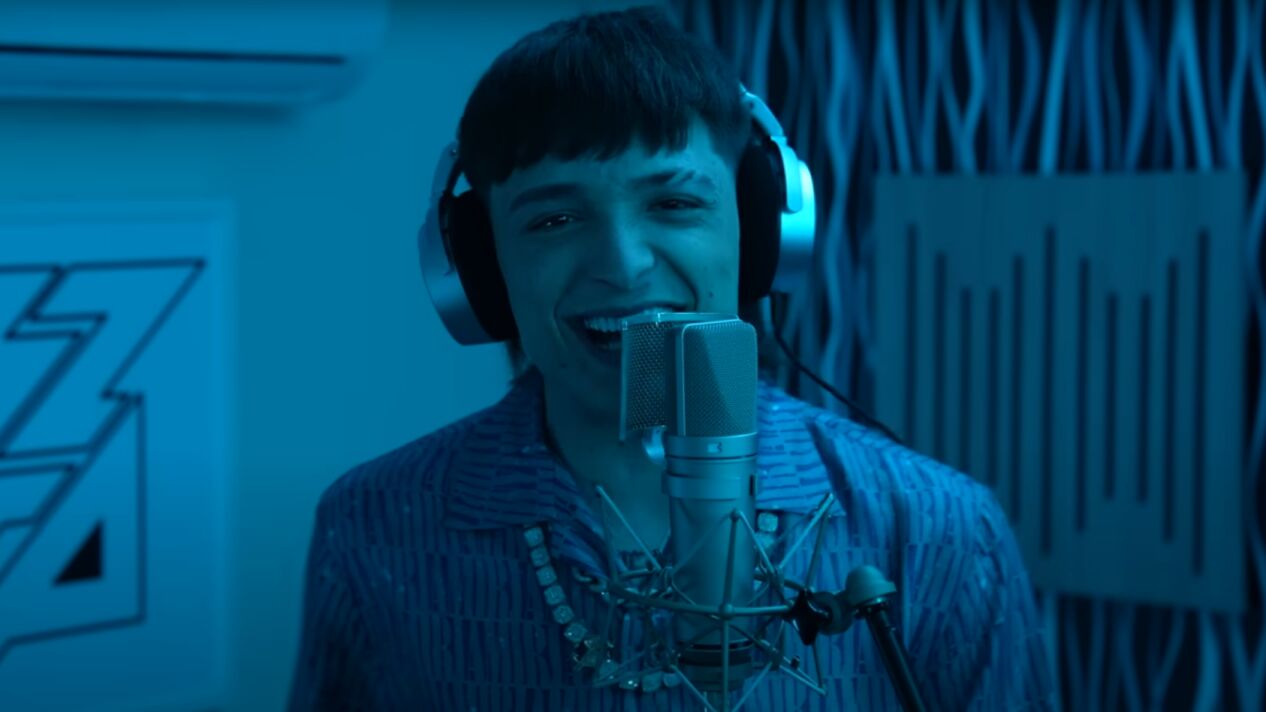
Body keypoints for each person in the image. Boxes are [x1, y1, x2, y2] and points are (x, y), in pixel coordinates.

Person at [287, 6, 1054, 710]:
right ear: (482, 269)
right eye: (554, 219)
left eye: (674, 204)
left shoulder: (938, 529)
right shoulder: (374, 527)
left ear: (759, 232)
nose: (623, 266)